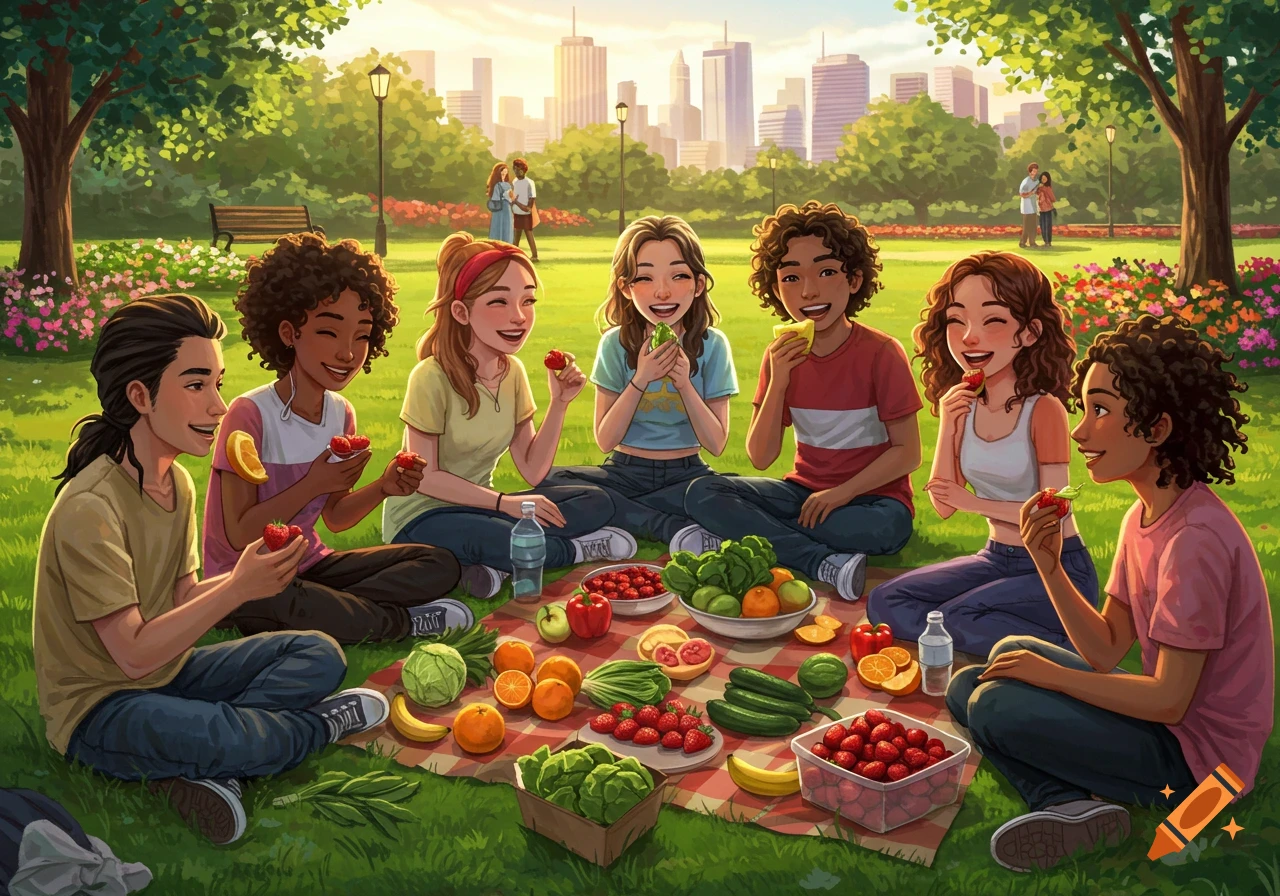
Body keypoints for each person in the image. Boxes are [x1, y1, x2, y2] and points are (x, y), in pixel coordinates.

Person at [33, 294, 389, 846]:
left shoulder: (177, 482)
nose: (220, 407)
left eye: (219, 384)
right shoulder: (91, 508)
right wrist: (237, 591)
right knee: (250, 739)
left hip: (170, 675)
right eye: (197, 386)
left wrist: (249, 577)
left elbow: (183, 598)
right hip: (98, 708)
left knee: (316, 652)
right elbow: (130, 655)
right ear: (140, 396)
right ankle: (314, 727)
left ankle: (204, 761)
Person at [947, 315, 1273, 874]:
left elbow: (1170, 699)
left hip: (1207, 765)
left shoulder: (1195, 540)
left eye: (1100, 410)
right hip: (1169, 725)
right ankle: (1073, 809)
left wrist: (1047, 676)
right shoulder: (1142, 516)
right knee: (977, 678)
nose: (1079, 432)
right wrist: (1049, 567)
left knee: (997, 702)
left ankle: (1075, 806)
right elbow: (1105, 649)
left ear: (1157, 427)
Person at [204, 233, 468, 645]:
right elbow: (239, 535)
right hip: (246, 579)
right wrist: (313, 482)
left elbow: (335, 517)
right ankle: (398, 623)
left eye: (362, 335)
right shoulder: (249, 414)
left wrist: (383, 487)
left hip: (309, 564)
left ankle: (333, 608)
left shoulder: (340, 414)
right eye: (329, 333)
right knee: (279, 600)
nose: (348, 352)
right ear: (289, 332)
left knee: (437, 562)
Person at [681, 201, 923, 601]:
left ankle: (744, 533)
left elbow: (908, 453)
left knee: (884, 531)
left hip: (872, 501)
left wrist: (841, 494)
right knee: (702, 493)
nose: (809, 291)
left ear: (855, 279)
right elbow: (761, 456)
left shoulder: (882, 352)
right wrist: (778, 383)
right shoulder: (780, 355)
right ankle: (820, 562)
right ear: (775, 289)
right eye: (791, 278)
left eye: (826, 272)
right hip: (802, 494)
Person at [866, 252, 1098, 656]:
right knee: (886, 602)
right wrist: (949, 426)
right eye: (957, 320)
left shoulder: (1043, 410)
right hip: (995, 558)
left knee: (955, 618)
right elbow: (943, 504)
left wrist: (973, 502)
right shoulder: (965, 404)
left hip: (1056, 565)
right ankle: (1015, 637)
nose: (969, 336)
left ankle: (1070, 642)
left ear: (1028, 333)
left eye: (993, 321)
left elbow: (1053, 514)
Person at [384, 234, 635, 599]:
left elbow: (532, 470)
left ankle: (484, 567)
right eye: (499, 301)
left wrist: (560, 402)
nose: (518, 317)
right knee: (508, 537)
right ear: (461, 312)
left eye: (527, 300)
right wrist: (505, 504)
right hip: (423, 515)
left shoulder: (512, 371)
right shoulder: (430, 376)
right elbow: (425, 479)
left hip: (483, 504)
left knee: (596, 501)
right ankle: (577, 550)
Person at [544, 216, 738, 547]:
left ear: (699, 284)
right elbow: (606, 440)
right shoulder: (615, 343)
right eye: (644, 278)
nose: (662, 292)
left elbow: (716, 444)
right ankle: (672, 527)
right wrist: (641, 379)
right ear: (625, 287)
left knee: (721, 492)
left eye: (679, 276)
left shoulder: (712, 344)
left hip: (688, 473)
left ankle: (626, 519)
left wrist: (684, 384)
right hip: (624, 471)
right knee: (550, 481)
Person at [511, 158, 539, 262]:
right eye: (515, 169)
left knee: (528, 233)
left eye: (518, 170)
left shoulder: (529, 182)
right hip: (517, 212)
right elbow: (514, 196)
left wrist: (528, 207)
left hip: (526, 212)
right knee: (517, 234)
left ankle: (535, 255)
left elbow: (532, 197)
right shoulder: (514, 182)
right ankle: (514, 253)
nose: (517, 172)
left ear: (524, 170)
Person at [486, 162, 515, 244]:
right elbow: (495, 198)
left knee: (507, 226)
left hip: (507, 208)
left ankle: (507, 243)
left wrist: (510, 197)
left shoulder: (508, 185)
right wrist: (505, 196)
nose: (504, 176)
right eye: (502, 174)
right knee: (498, 226)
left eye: (505, 174)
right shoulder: (497, 185)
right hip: (499, 208)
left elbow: (511, 198)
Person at [1018, 163, 1040, 249]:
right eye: (1033, 170)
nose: (1034, 172)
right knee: (1027, 227)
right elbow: (1022, 194)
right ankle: (1022, 242)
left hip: (1033, 207)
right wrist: (1030, 193)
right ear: (1030, 171)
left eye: (1036, 171)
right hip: (1027, 208)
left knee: (1033, 226)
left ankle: (1032, 242)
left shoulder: (1036, 181)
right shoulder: (1026, 181)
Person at [1037, 171, 1057, 247]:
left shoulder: (1047, 188)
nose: (1043, 180)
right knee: (1042, 226)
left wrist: (1044, 190)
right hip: (1041, 209)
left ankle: (1048, 242)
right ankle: (1046, 241)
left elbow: (1053, 198)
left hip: (1048, 209)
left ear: (1048, 179)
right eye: (1042, 178)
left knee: (1047, 226)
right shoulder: (1038, 188)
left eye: (1045, 178)